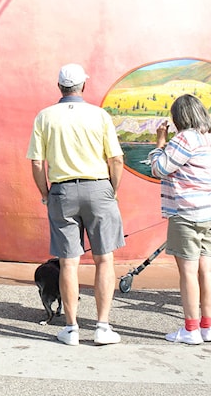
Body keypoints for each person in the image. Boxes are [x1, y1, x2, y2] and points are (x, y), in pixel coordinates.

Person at [26, 63, 125, 346]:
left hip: (62, 191)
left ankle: (71, 328)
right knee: (104, 259)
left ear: (59, 87)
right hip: (98, 187)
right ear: (83, 86)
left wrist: (46, 193)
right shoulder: (100, 115)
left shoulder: (45, 117)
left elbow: (36, 161)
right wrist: (112, 189)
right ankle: (103, 327)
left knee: (69, 263)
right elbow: (116, 159)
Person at [148, 95, 211, 344]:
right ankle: (207, 327)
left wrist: (160, 143)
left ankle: (191, 329)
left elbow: (159, 168)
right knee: (207, 270)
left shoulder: (185, 138)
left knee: (188, 272)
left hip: (188, 213)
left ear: (179, 118)